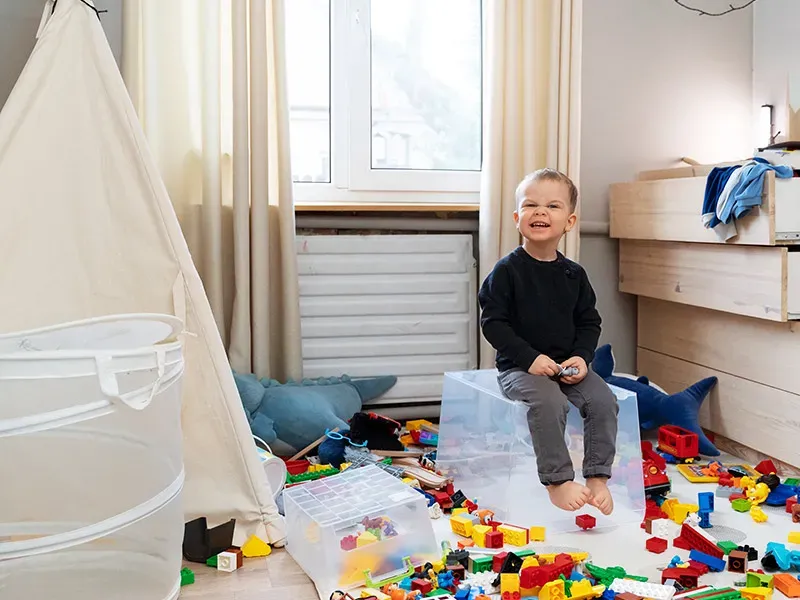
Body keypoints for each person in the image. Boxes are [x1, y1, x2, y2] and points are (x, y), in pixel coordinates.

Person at [478, 168, 618, 515]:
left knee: (603, 400)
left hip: (566, 365)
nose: (541, 212)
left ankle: (598, 476)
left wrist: (582, 357)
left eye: (552, 206)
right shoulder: (507, 271)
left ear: (569, 221)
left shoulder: (574, 274)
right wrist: (529, 359)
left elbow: (589, 322)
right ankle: (557, 481)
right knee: (549, 402)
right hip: (520, 368)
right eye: (531, 205)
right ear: (517, 218)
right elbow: (493, 324)